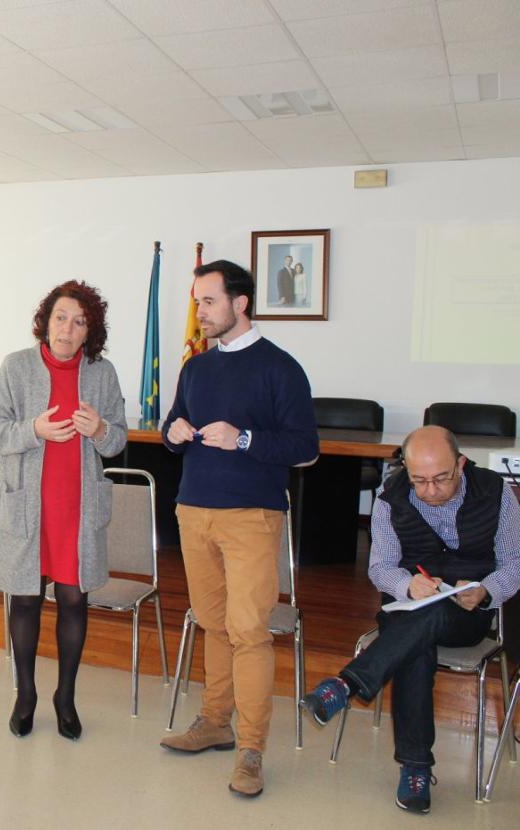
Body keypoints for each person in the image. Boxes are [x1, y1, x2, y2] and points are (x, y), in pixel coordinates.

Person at [159, 260, 318, 798]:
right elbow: (171, 426)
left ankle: (252, 749)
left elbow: (306, 448)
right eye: (197, 302)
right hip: (193, 510)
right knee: (212, 623)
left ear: (240, 303)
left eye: (208, 301)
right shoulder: (197, 368)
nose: (199, 312)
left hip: (252, 516)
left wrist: (245, 439)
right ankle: (214, 723)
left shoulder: (280, 368)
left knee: (249, 631)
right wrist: (173, 431)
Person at [301, 426, 520, 814]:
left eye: (441, 479)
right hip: (407, 609)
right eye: (420, 480)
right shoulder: (390, 497)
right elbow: (381, 567)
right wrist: (406, 586)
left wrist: (486, 590)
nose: (431, 490)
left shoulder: (497, 492)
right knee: (414, 643)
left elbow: (515, 562)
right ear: (406, 469)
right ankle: (416, 769)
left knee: (424, 624)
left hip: (467, 615)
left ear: (461, 464)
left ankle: (346, 684)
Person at [0, 280, 127, 741]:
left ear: (90, 332)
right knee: (24, 598)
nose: (67, 328)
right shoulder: (16, 367)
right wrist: (34, 429)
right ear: (46, 321)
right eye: (61, 317)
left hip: (76, 509)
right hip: (27, 506)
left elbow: (118, 439)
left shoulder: (102, 374)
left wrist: (101, 428)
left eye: (79, 322)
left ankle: (66, 697)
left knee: (72, 599)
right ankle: (26, 696)